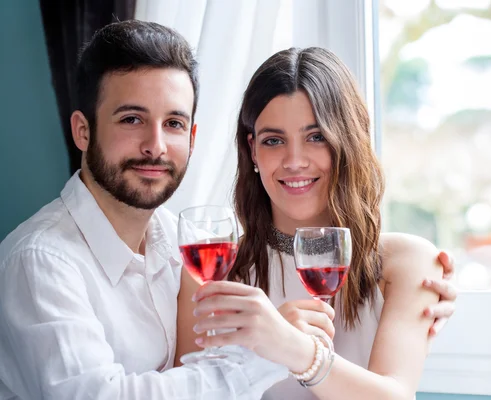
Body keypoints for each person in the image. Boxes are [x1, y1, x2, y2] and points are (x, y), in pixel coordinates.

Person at [0, 21, 328, 400]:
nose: (155, 147)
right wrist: (268, 355)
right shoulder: (40, 262)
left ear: (191, 138)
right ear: (82, 131)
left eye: (173, 123)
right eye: (132, 119)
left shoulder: (177, 242)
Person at [176, 47, 458, 400]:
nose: (295, 161)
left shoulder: (408, 262)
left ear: (348, 141)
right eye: (274, 140)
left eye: (316, 137)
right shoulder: (213, 272)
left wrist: (294, 349)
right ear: (253, 152)